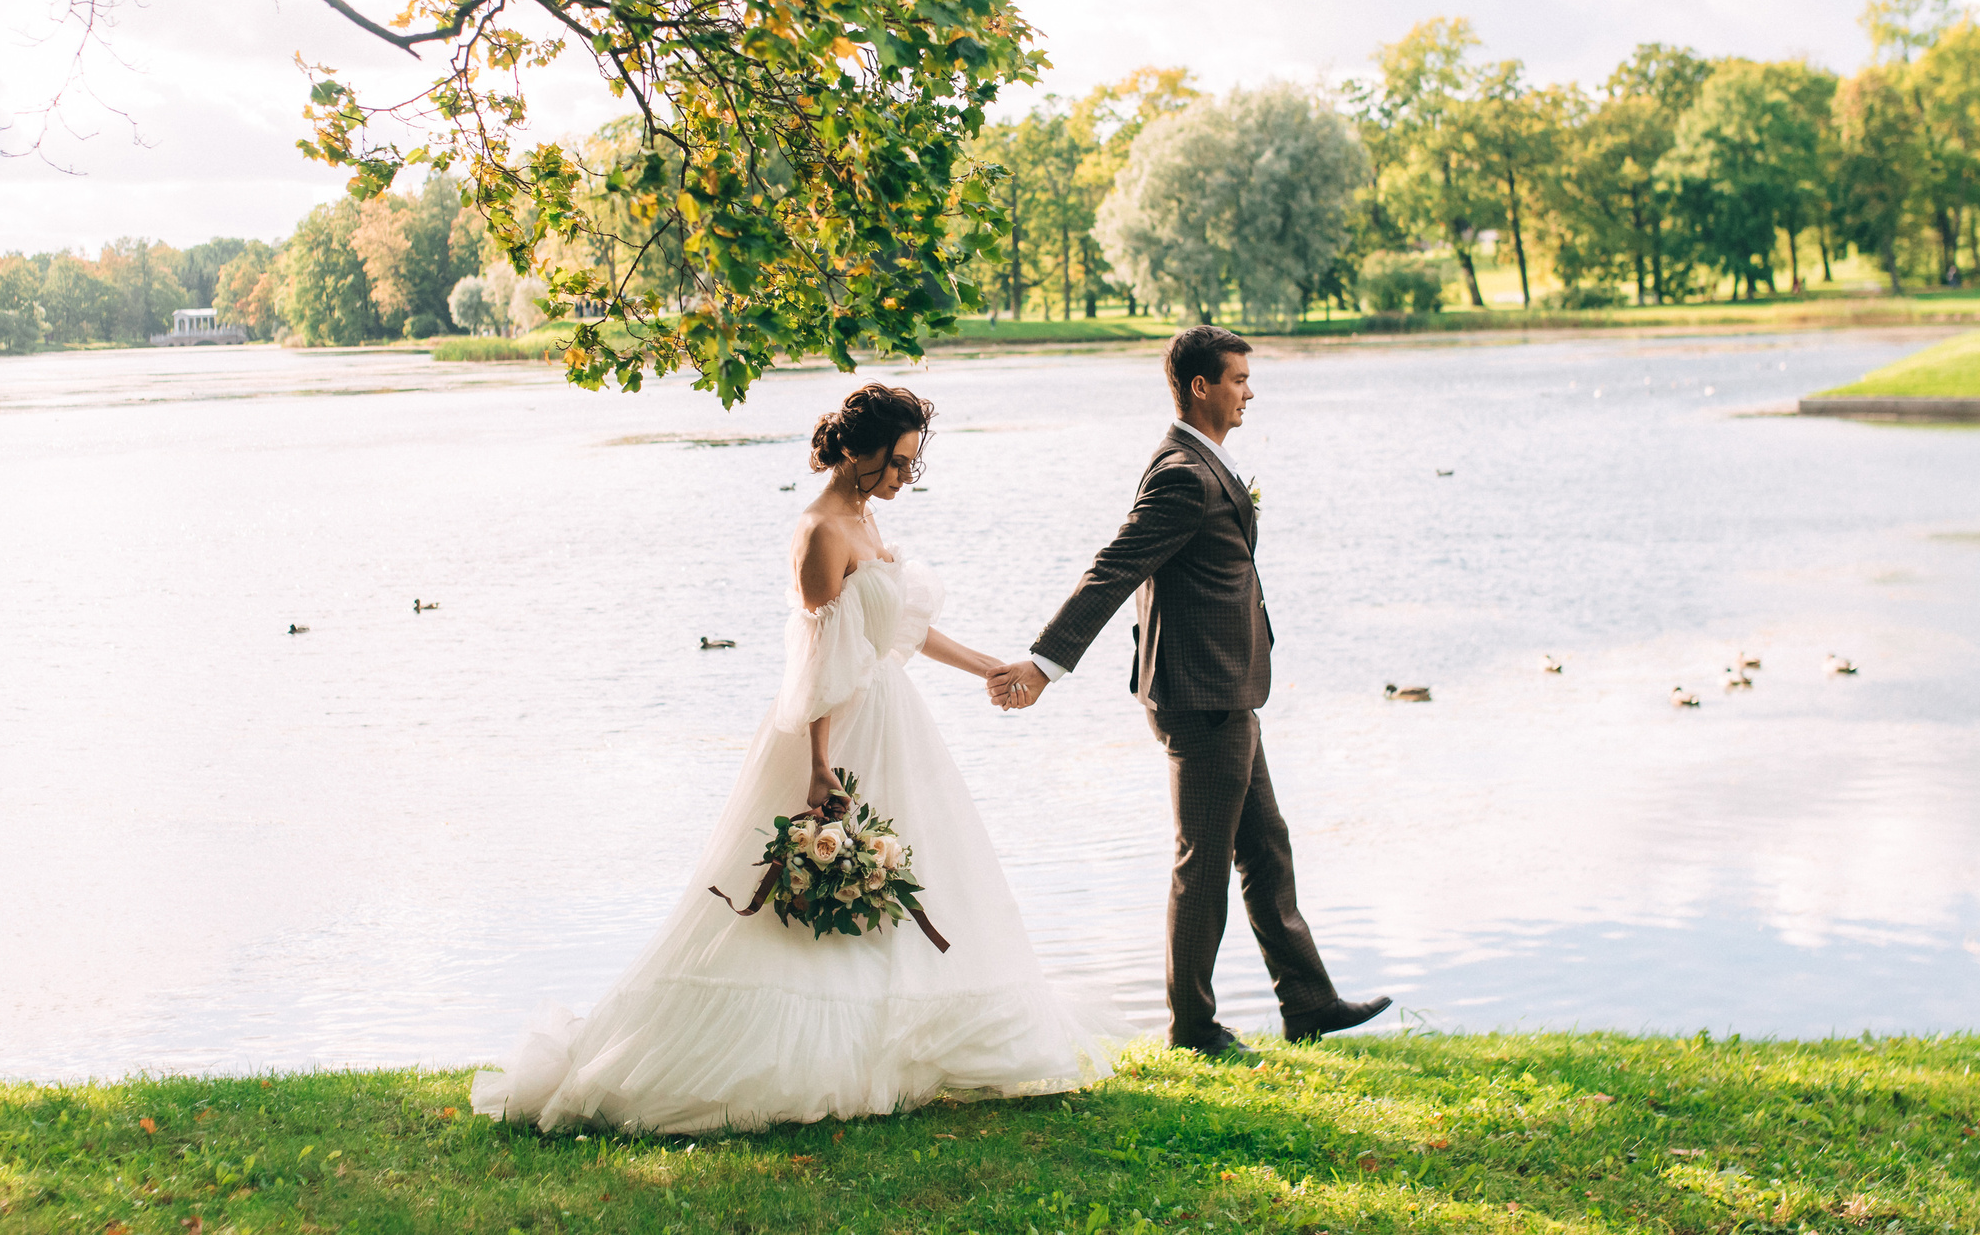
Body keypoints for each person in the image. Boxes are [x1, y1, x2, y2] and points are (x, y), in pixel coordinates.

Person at [472, 383, 1114, 1132]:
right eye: (899, 463)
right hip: (831, 730)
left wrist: (989, 668)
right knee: (816, 895)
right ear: (857, 451)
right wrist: (819, 764)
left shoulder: (867, 516)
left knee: (927, 875)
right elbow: (819, 660)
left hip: (891, 716)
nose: (907, 478)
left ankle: (908, 1043)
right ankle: (804, 1051)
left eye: (913, 463)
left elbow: (893, 629)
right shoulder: (819, 532)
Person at [988, 327, 1390, 1060]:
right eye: (1237, 377)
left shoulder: (1205, 462)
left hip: (1226, 689)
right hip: (1200, 696)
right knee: (1202, 861)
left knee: (1266, 847)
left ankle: (1308, 1000)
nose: (1249, 390)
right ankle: (1194, 1029)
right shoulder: (1181, 471)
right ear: (1200, 385)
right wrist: (1046, 662)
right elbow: (1114, 569)